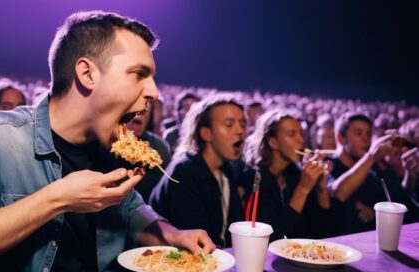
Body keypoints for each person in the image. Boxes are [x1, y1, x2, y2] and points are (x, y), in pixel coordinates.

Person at [0, 11, 214, 272]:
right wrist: (57, 198)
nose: (154, 91)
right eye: (139, 74)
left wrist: (171, 234)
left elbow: (130, 208)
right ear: (87, 74)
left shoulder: (109, 146)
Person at [150, 94, 247, 248]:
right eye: (229, 124)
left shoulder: (227, 169)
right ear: (206, 133)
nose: (240, 131)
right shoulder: (184, 172)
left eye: (243, 124)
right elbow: (196, 241)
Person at [240, 110, 334, 241]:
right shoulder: (256, 177)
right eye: (292, 134)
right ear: (273, 142)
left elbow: (324, 229)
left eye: (301, 134)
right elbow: (274, 236)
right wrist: (303, 188)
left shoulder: (294, 174)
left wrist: (321, 188)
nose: (301, 140)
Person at [328, 113, 390, 234]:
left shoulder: (372, 172)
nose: (366, 139)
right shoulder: (328, 166)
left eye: (368, 134)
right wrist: (371, 157)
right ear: (341, 138)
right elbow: (339, 193)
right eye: (358, 133)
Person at [123, 100, 171, 202]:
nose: (138, 114)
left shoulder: (159, 147)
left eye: (145, 107)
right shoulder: (102, 143)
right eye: (134, 106)